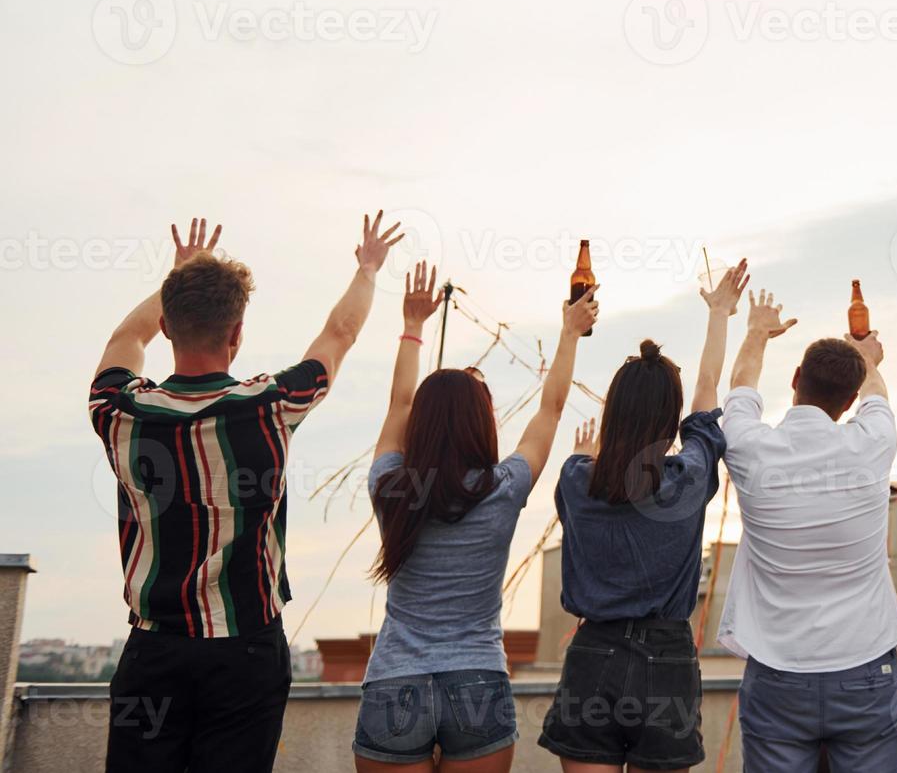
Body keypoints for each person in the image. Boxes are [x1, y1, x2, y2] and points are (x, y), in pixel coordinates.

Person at [90, 213, 402, 773]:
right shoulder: (271, 406)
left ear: (167, 326)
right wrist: (368, 268)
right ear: (236, 334)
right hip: (246, 652)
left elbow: (122, 339)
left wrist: (177, 274)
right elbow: (341, 334)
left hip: (155, 651)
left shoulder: (121, 413)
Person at [352, 264, 598, 772]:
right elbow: (550, 410)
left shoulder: (391, 486)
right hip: (478, 681)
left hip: (395, 681)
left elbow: (399, 401)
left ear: (420, 423)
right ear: (482, 423)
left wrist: (413, 325)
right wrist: (570, 332)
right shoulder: (503, 489)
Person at [538, 260, 749, 772]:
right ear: (668, 417)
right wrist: (719, 313)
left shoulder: (575, 479)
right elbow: (706, 390)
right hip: (667, 660)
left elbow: (552, 410)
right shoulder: (687, 476)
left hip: (593, 654)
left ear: (612, 412)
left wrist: (569, 334)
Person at [716, 290, 897, 772]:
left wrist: (758, 331)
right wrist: (868, 358)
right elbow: (878, 397)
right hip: (866, 667)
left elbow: (740, 388)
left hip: (778, 672)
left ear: (796, 379)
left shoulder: (750, 447)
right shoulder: (874, 442)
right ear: (849, 402)